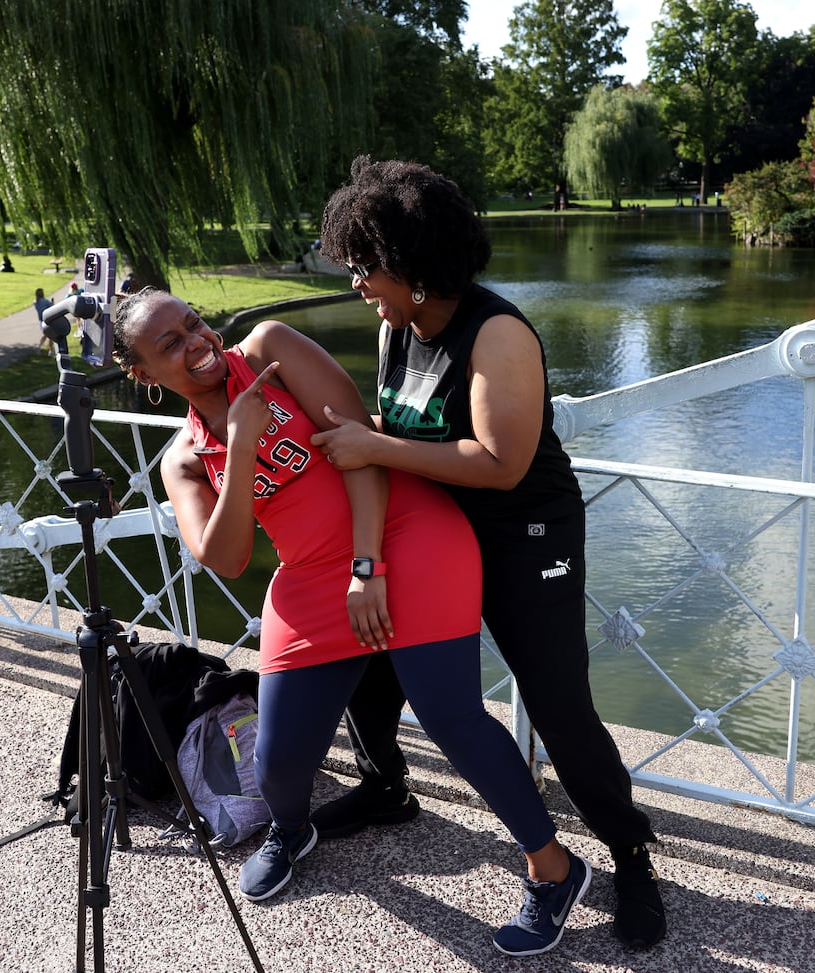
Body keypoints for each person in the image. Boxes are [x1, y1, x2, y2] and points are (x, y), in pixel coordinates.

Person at [111, 288, 591, 957]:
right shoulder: (184, 459)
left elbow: (362, 450)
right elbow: (228, 556)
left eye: (192, 323)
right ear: (142, 375)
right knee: (278, 761)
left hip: (404, 535)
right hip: (309, 579)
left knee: (450, 715)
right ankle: (291, 829)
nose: (196, 341)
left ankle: (554, 869)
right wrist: (242, 443)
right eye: (169, 343)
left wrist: (368, 567)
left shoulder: (270, 349)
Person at [312, 156, 667, 949]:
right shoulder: (393, 328)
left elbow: (500, 462)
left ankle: (628, 852)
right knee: (370, 660)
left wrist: (370, 444)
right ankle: (385, 784)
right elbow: (391, 437)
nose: (359, 286)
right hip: (435, 525)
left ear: (411, 267)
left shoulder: (496, 332)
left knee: (558, 707)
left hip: (525, 533)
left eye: (366, 269)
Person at [33, 288, 54, 354]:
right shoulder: (46, 301)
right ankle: (50, 350)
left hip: (41, 321)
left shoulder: (35, 302)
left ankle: (41, 348)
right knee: (50, 336)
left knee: (45, 335)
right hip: (47, 320)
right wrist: (52, 302)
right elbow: (52, 307)